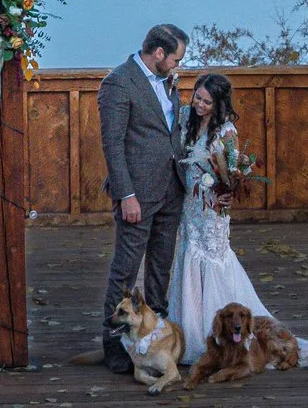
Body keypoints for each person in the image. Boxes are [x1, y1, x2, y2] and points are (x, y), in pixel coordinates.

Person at [165, 72, 308, 371]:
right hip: (189, 206)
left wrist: (228, 192)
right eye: (197, 97)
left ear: (219, 104)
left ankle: (218, 335)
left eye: (207, 102)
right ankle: (188, 330)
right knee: (188, 256)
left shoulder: (227, 131)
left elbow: (233, 173)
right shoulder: (186, 117)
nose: (200, 105)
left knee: (212, 259)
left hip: (213, 210)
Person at [97, 23, 188, 376]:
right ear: (159, 53)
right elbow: (113, 145)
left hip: (171, 190)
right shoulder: (119, 82)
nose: (178, 65)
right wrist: (126, 195)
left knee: (160, 267)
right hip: (137, 194)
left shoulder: (167, 81)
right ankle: (113, 346)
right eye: (176, 58)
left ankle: (155, 338)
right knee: (125, 270)